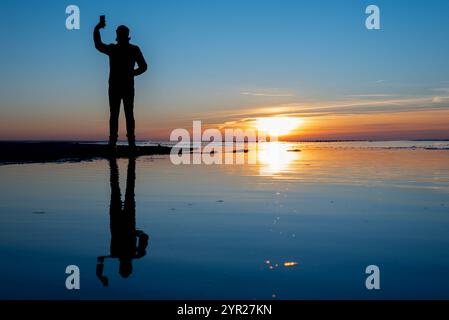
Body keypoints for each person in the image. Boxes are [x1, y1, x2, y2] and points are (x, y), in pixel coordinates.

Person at [94, 17, 148, 148]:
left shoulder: (132, 49)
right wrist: (97, 28)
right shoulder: (115, 49)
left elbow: (144, 66)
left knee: (125, 114)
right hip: (116, 86)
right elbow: (98, 45)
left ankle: (127, 142)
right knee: (118, 114)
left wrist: (132, 73)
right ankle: (116, 142)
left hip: (124, 86)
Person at [96, 157, 149, 286]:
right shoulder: (131, 254)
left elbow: (100, 259)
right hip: (125, 221)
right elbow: (144, 236)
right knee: (124, 189)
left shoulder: (126, 254)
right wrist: (138, 236)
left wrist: (101, 275)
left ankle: (116, 162)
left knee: (122, 189)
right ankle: (120, 162)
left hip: (118, 221)